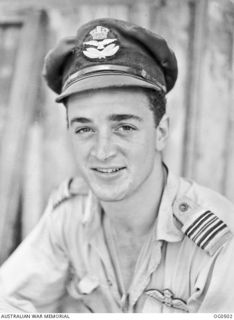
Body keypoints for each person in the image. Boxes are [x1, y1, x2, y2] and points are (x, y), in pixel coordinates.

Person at [0, 18, 234, 313]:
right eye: (85, 129)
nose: (102, 151)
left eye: (124, 127)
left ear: (160, 133)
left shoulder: (221, 242)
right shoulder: (71, 214)